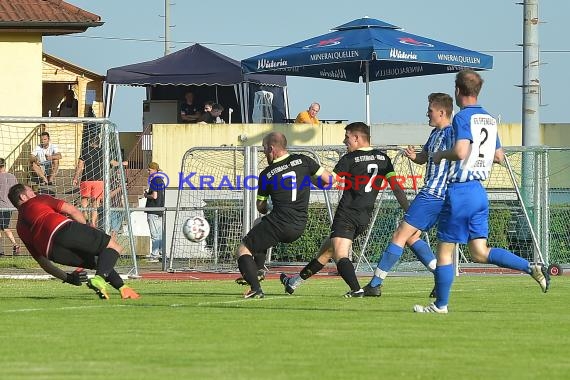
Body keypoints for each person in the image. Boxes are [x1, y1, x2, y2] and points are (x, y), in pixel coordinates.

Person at [413, 69, 550, 314]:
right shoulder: (487, 118)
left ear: (457, 91)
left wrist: (439, 155)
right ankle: (531, 267)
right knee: (479, 252)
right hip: (479, 192)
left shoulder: (462, 117)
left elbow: (461, 152)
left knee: (445, 250)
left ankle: (440, 305)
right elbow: (498, 156)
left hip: (460, 192)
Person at [280, 122, 410, 297]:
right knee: (327, 251)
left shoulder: (349, 159)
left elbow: (328, 182)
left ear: (356, 138)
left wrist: (307, 177)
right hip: (364, 217)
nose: (344, 141)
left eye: (347, 137)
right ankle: (294, 282)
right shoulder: (383, 159)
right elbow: (396, 188)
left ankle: (356, 289)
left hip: (348, 213)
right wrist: (409, 210)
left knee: (340, 254)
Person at [361, 93, 455, 297]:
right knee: (411, 237)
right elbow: (424, 158)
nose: (427, 113)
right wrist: (415, 157)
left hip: (433, 194)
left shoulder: (451, 134)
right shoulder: (434, 134)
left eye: (430, 110)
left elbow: (462, 153)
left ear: (441, 112)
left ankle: (375, 284)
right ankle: (440, 278)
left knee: (399, 235)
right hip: (436, 195)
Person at [237, 132, 332, 298]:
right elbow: (329, 180)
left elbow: (261, 206)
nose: (264, 153)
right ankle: (258, 270)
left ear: (272, 148)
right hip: (299, 225)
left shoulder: (267, 174)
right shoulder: (303, 160)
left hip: (279, 223)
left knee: (243, 249)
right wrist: (310, 181)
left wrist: (267, 205)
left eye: (265, 149)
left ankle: (255, 289)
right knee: (258, 224)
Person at [7, 183, 140, 299]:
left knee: (98, 261)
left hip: (53, 253)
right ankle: (99, 280)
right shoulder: (38, 200)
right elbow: (72, 210)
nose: (34, 193)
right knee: (114, 246)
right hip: (61, 230)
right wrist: (87, 227)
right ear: (23, 197)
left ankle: (123, 288)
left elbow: (43, 263)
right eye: (31, 191)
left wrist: (68, 278)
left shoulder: (20, 227)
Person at [73, 137, 105, 228]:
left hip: (86, 179)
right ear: (98, 143)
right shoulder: (102, 151)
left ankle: (86, 222)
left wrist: (75, 178)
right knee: (95, 203)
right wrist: (121, 163)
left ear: (90, 142)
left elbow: (80, 166)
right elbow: (111, 162)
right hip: (99, 180)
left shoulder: (85, 151)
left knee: (84, 202)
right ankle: (93, 224)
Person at [144, 161, 165, 262]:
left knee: (154, 234)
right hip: (160, 209)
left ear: (154, 170)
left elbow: (154, 196)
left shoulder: (154, 181)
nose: (148, 171)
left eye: (149, 169)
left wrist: (146, 195)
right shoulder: (161, 180)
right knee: (160, 233)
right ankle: (161, 253)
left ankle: (154, 255)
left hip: (153, 209)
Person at [0, 158, 19, 255]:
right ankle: (15, 245)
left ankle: (2, 249)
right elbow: (16, 190)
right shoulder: (12, 176)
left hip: (1, 205)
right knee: (4, 226)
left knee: (3, 227)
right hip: (10, 205)